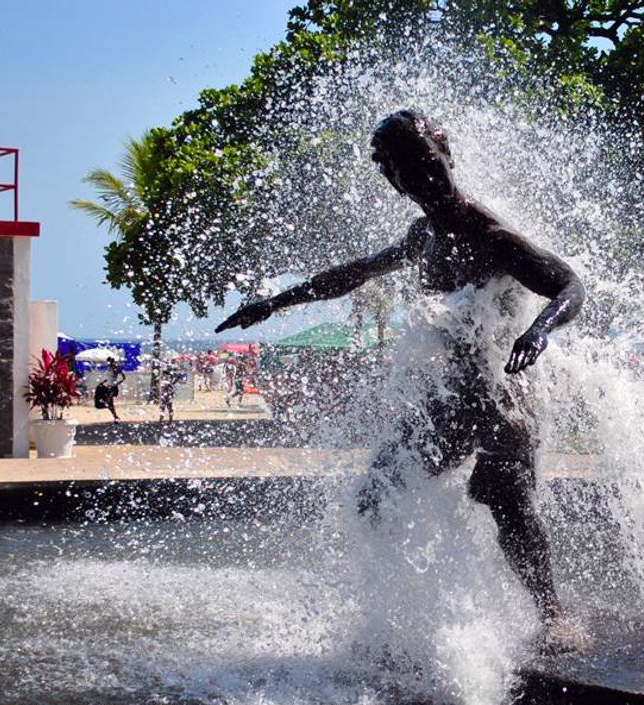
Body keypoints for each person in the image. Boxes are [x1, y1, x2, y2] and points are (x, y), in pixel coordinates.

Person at [215, 110, 585, 640]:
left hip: (506, 394)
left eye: (428, 161)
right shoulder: (424, 236)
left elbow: (570, 287)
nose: (424, 177)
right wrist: (275, 303)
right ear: (395, 182)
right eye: (407, 169)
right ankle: (403, 615)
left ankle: (553, 617)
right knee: (378, 492)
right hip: (457, 399)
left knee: (506, 497)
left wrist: (540, 330)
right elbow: (357, 272)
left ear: (447, 155)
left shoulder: (494, 236)